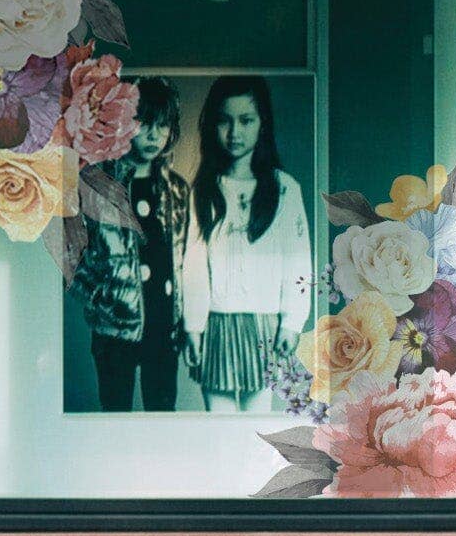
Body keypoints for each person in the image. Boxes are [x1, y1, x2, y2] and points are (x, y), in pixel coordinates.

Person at [180, 75, 310, 410]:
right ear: (213, 125)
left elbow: (298, 262)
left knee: (256, 426)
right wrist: (193, 327)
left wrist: (291, 322)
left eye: (246, 120)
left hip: (265, 324)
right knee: (218, 428)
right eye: (224, 121)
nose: (234, 132)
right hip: (217, 323)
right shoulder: (206, 190)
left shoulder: (285, 189)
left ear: (262, 124)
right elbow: (193, 265)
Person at [74, 78, 193, 414]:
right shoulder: (96, 185)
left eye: (163, 125)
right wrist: (103, 301)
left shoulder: (178, 191)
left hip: (163, 326)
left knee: (162, 417)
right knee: (114, 415)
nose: (154, 135)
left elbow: (185, 258)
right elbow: (72, 256)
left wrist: (182, 319)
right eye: (145, 124)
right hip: (114, 332)